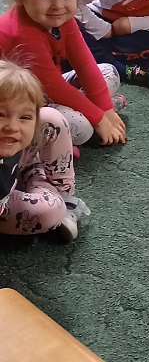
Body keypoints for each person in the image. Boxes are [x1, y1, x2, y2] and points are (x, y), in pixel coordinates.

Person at [0, 0, 127, 147]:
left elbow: (84, 63)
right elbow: (55, 87)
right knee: (83, 128)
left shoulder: (63, 19)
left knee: (109, 72)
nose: (58, 5)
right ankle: (44, 142)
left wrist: (106, 109)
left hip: (44, 90)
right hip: (13, 106)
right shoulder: (21, 34)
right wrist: (98, 117)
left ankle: (94, 111)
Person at [0, 59, 89, 241]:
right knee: (50, 211)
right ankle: (54, 198)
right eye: (0, 115)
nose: (12, 126)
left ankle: (64, 196)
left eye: (25, 117)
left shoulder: (11, 136)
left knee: (51, 119)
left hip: (15, 162)